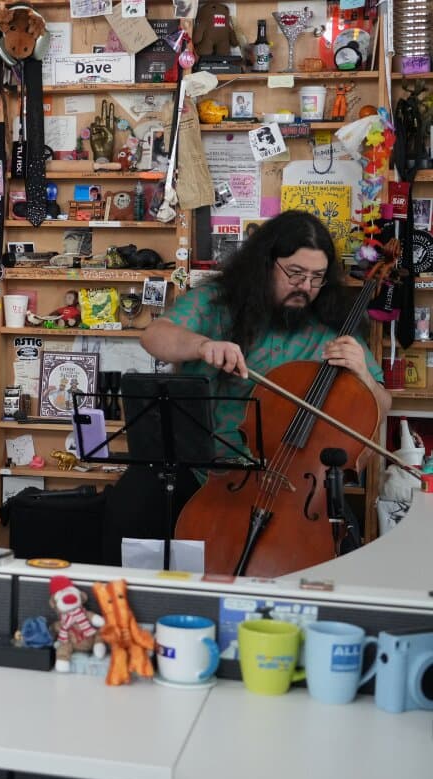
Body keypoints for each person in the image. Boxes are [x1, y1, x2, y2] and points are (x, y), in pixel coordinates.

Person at [101, 210, 388, 563]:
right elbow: (155, 336)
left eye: (317, 278)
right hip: (200, 466)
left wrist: (361, 372)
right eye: (295, 273)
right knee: (132, 504)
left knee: (339, 543)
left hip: (290, 482)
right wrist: (203, 346)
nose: (305, 287)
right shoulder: (217, 302)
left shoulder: (329, 327)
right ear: (265, 264)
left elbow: (380, 406)